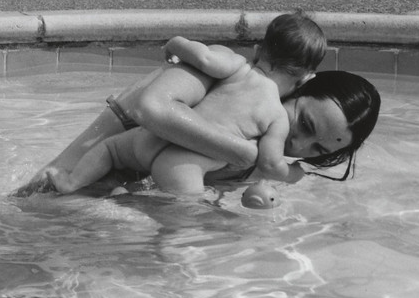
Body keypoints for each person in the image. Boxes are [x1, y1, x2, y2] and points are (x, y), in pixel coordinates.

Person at [18, 12, 328, 197]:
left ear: (259, 49)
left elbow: (204, 57)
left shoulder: (236, 67)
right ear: (304, 79)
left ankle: (71, 182)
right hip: (185, 167)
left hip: (150, 140)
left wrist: (175, 43)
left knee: (109, 150)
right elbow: (269, 164)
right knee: (182, 225)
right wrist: (294, 173)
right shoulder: (277, 116)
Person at [47, 68, 382, 201]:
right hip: (107, 146)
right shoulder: (223, 80)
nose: (298, 145)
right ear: (297, 87)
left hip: (123, 190)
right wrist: (245, 154)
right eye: (306, 125)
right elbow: (150, 107)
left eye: (318, 150)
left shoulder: (264, 141)